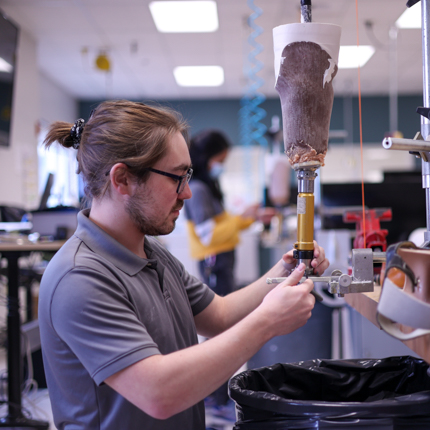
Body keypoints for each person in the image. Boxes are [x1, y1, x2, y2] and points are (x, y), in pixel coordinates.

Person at [38, 100, 329, 430]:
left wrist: (286, 270)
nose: (188, 193)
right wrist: (267, 322)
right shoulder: (80, 278)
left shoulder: (150, 253)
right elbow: (159, 393)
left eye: (188, 175)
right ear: (122, 180)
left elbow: (218, 315)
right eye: (176, 177)